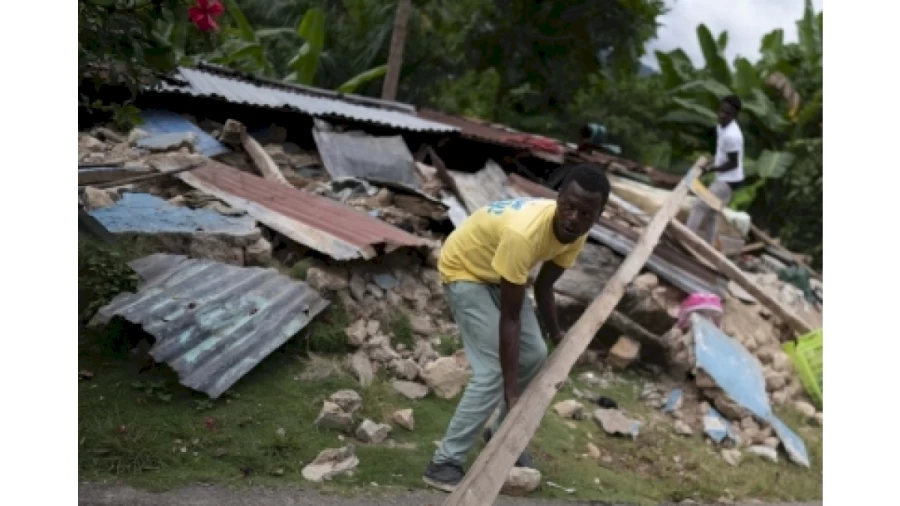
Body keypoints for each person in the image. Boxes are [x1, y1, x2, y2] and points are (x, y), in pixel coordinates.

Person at [422, 164, 611, 492]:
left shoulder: (576, 234)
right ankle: (444, 462)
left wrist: (556, 334)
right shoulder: (524, 234)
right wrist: (511, 391)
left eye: (585, 213)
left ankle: (499, 432)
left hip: (502, 274)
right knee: (492, 371)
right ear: (558, 198)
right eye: (568, 206)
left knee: (535, 354)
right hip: (465, 269)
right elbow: (509, 320)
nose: (572, 218)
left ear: (598, 215)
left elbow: (544, 288)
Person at [685, 94, 745, 245]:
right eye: (721, 111)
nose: (722, 115)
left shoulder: (733, 136)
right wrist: (710, 162)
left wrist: (710, 169)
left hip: (729, 181)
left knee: (699, 206)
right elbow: (721, 153)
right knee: (712, 213)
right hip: (724, 177)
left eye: (727, 113)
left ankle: (684, 239)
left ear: (734, 115)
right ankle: (709, 247)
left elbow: (733, 163)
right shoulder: (721, 127)